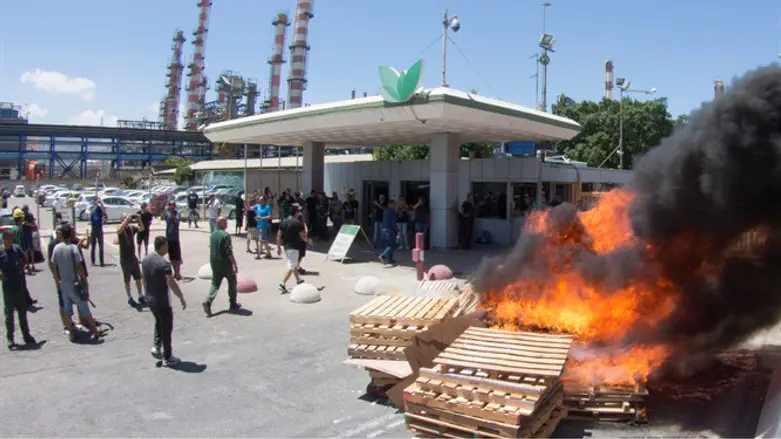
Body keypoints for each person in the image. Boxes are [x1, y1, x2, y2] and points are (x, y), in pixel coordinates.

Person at [142, 236, 187, 367]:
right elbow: (171, 282)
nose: (168, 248)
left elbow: (144, 279)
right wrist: (181, 297)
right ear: (161, 246)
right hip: (162, 301)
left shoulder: (145, 260)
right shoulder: (164, 264)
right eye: (167, 246)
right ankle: (168, 357)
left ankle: (156, 346)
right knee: (167, 328)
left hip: (150, 299)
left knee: (158, 322)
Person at [52, 224, 101, 341]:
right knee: (84, 308)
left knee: (67, 311)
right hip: (74, 284)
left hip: (64, 284)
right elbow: (79, 267)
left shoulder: (57, 248)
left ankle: (71, 334)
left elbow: (53, 265)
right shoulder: (73, 248)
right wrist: (85, 282)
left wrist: (57, 280)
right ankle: (95, 331)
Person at [1, 229, 36, 349]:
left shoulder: (16, 248)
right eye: (10, 238)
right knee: (9, 315)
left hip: (19, 286)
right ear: (5, 239)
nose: (12, 240)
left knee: (22, 312)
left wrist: (24, 266)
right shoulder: (1, 252)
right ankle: (10, 338)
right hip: (8, 288)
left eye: (12, 238)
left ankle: (26, 335)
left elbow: (24, 258)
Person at [202, 217, 240, 316]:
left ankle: (208, 300)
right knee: (232, 281)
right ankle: (233, 303)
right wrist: (234, 264)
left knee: (215, 282)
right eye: (225, 222)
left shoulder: (213, 234)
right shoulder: (226, 235)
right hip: (225, 262)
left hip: (214, 262)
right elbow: (229, 252)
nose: (227, 224)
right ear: (220, 224)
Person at [276, 204, 311, 294]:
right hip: (294, 247)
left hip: (286, 247)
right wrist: (309, 241)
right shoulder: (297, 223)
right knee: (291, 266)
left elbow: (279, 235)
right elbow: (303, 236)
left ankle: (299, 280)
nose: (300, 213)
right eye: (299, 211)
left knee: (293, 264)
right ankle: (282, 283)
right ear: (296, 212)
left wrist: (278, 247)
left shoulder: (283, 222)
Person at [117, 212, 146, 308]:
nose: (127, 219)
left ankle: (140, 295)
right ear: (121, 219)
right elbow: (119, 230)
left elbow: (142, 228)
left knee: (138, 277)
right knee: (127, 279)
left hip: (133, 257)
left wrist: (140, 219)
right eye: (124, 217)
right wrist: (127, 219)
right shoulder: (120, 228)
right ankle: (129, 297)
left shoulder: (131, 228)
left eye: (127, 217)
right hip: (125, 259)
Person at [11, 209, 36, 307]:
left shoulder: (12, 229)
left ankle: (27, 299)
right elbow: (21, 248)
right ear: (20, 218)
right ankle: (21, 302)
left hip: (12, 260)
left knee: (19, 282)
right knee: (21, 281)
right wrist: (26, 263)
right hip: (18, 260)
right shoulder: (19, 230)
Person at [162, 201, 183, 280]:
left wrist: (172, 213)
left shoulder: (177, 213)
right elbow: (162, 218)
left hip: (175, 238)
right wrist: (164, 210)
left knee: (177, 257)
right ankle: (175, 272)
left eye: (173, 205)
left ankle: (178, 273)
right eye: (170, 205)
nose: (172, 206)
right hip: (168, 238)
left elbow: (176, 221)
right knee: (172, 258)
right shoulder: (167, 213)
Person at [379, 200, 398, 265]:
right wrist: (397, 230)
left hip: (384, 230)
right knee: (391, 245)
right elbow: (393, 222)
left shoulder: (385, 211)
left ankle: (390, 259)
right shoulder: (392, 212)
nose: (395, 206)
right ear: (391, 204)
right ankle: (383, 256)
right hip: (390, 230)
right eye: (394, 204)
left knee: (388, 245)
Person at [89, 198, 106, 266]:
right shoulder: (91, 207)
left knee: (101, 246)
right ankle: (93, 261)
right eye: (96, 201)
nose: (97, 202)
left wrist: (101, 204)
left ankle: (101, 261)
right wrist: (95, 206)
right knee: (93, 246)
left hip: (99, 228)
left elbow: (104, 213)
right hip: (93, 228)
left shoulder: (100, 208)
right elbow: (90, 213)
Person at [21, 205, 36, 274]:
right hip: (23, 235)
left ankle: (33, 265)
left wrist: (27, 223)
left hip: (29, 235)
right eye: (24, 210)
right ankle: (27, 265)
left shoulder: (30, 216)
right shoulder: (22, 216)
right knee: (25, 251)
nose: (24, 212)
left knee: (31, 250)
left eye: (25, 210)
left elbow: (33, 225)